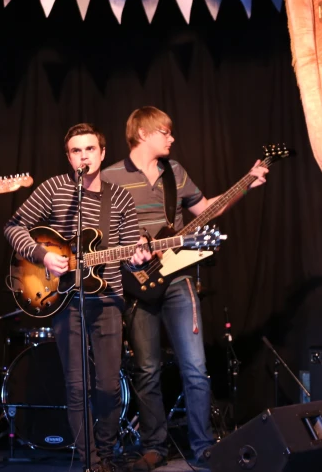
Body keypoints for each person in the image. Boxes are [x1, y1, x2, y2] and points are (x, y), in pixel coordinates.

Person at [101, 106, 268, 471]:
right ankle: (153, 447)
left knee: (195, 366)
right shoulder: (110, 176)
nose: (172, 138)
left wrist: (246, 184)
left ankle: (204, 447)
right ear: (143, 133)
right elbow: (104, 234)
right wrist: (128, 258)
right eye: (165, 131)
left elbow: (207, 210)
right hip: (135, 284)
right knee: (146, 369)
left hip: (178, 277)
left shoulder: (173, 173)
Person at [4, 123, 152, 472]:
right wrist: (42, 256)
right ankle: (92, 462)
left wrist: (137, 257)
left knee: (107, 386)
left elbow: (130, 253)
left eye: (89, 149)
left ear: (102, 153)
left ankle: (106, 450)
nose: (83, 156)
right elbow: (13, 225)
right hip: (65, 300)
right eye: (75, 151)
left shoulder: (120, 197)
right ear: (69, 157)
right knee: (75, 384)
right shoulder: (55, 188)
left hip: (108, 299)